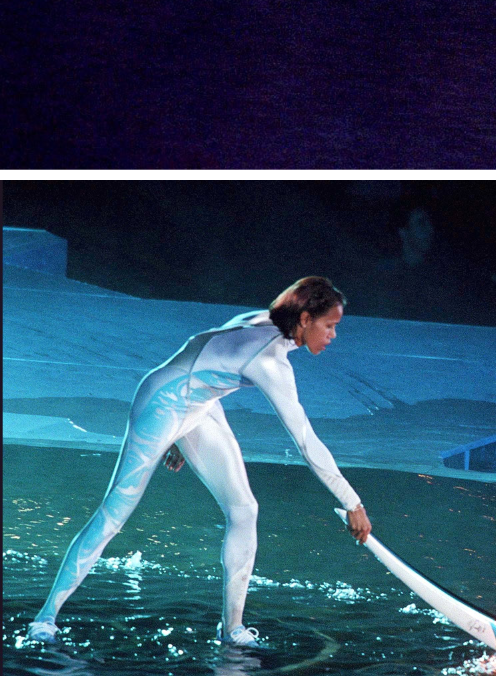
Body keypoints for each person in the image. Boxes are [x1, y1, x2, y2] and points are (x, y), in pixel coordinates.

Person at [27, 276, 372, 648]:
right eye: (330, 326)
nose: (334, 335)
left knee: (244, 509)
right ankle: (44, 619)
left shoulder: (268, 324)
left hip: (200, 406)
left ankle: (232, 629)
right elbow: (306, 441)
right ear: (305, 319)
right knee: (116, 510)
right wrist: (352, 502)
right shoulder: (270, 360)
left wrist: (185, 432)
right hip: (163, 402)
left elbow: (206, 351)